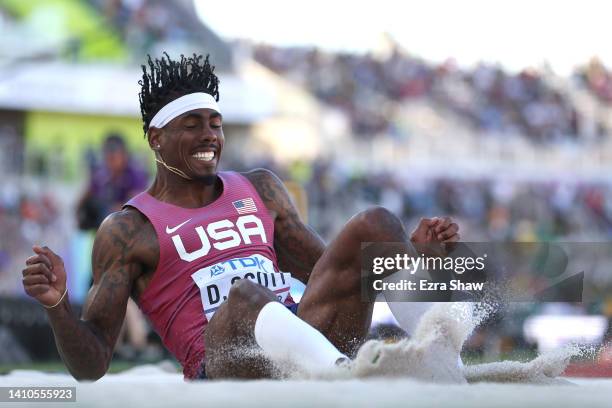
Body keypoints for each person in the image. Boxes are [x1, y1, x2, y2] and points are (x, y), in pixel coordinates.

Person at [21, 53, 459, 381]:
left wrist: (400, 257)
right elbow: (92, 364)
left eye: (215, 122)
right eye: (192, 124)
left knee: (376, 225)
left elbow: (330, 271)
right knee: (244, 296)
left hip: (303, 343)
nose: (210, 134)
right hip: (224, 367)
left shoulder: (260, 188)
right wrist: (58, 307)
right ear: (157, 138)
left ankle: (447, 365)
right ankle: (347, 384)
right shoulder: (127, 230)